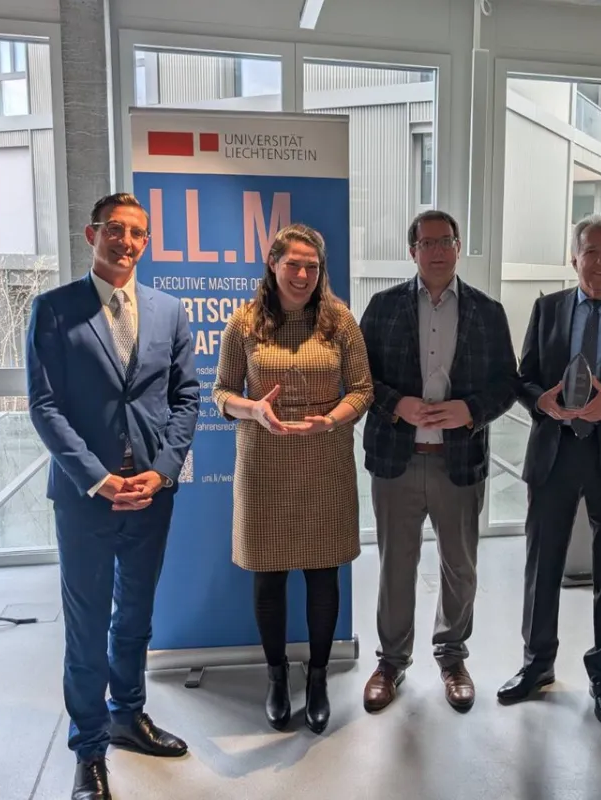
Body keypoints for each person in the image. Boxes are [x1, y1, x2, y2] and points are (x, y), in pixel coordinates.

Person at [26, 193, 198, 800]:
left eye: (139, 234)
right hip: (86, 497)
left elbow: (186, 398)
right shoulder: (52, 310)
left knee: (135, 618)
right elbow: (44, 406)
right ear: (91, 233)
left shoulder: (168, 311)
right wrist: (99, 477)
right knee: (87, 623)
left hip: (152, 494)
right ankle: (89, 749)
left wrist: (164, 470)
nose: (127, 242)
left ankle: (128, 715)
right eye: (116, 230)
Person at [498, 214, 601, 731]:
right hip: (555, 455)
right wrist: (541, 401)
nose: (600, 261)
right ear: (574, 258)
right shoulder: (547, 309)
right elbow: (523, 378)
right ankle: (537, 664)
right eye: (590, 251)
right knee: (541, 566)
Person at [212, 223, 373, 735]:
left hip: (325, 460)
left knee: (324, 574)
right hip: (264, 461)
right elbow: (220, 392)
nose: (303, 274)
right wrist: (253, 409)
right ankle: (278, 677)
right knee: (271, 574)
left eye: (312, 266)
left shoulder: (339, 320)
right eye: (294, 264)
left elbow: (364, 389)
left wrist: (331, 418)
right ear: (273, 264)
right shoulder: (244, 322)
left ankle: (319, 676)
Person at [358, 210, 517, 713]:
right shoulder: (382, 308)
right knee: (395, 567)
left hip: (459, 460)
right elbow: (359, 378)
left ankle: (452, 656)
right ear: (413, 252)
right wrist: (395, 404)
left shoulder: (488, 311)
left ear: (458, 245)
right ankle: (392, 661)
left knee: (460, 568)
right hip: (397, 461)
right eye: (427, 242)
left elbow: (507, 384)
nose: (437, 250)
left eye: (446, 240)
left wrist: (470, 410)